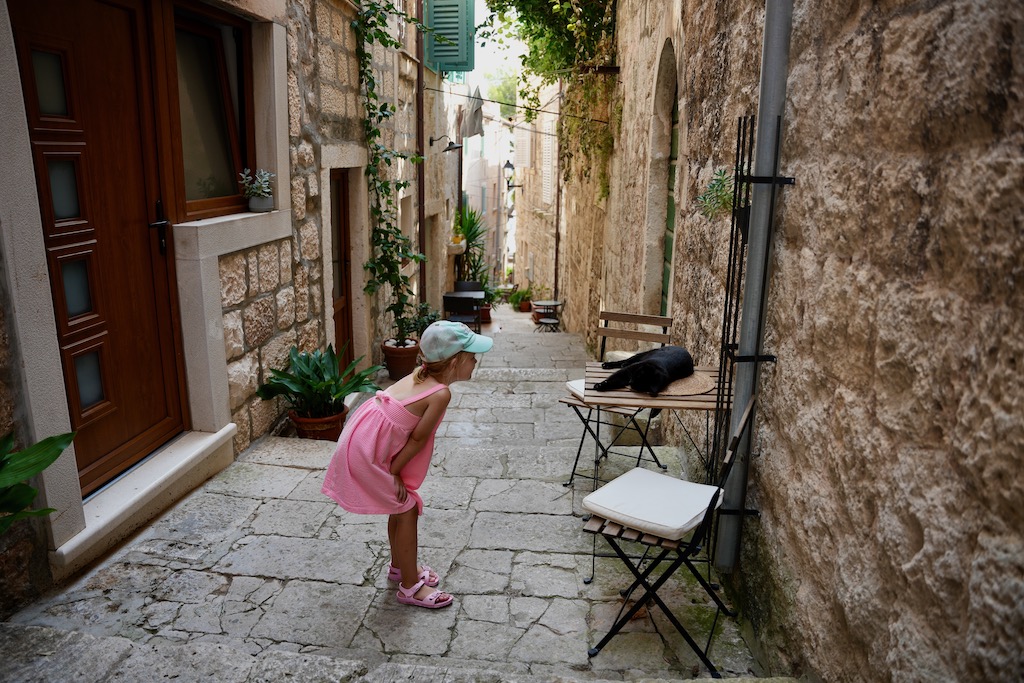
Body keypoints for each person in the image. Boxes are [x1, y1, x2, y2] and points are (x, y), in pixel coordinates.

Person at [321, 321, 493, 609]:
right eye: (471, 354)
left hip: (363, 438)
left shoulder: (421, 375)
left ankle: (401, 568)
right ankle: (411, 586)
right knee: (407, 506)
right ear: (454, 362)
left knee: (399, 507)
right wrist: (394, 472)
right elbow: (415, 440)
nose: (475, 360)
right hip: (367, 452)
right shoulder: (440, 394)